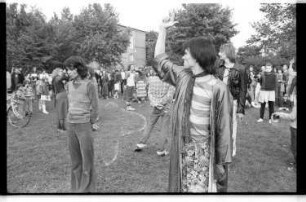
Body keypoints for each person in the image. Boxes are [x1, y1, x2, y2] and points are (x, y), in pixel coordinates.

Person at [153, 17, 233, 192]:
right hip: (182, 149)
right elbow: (160, 59)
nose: (182, 56)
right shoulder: (183, 76)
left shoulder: (218, 88)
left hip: (203, 153)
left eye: (186, 53)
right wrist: (162, 30)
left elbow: (224, 129)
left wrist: (221, 163)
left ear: (197, 56)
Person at [64, 56, 99, 192]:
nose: (68, 72)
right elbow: (70, 104)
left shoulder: (89, 84)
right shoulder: (68, 85)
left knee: (87, 160)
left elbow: (95, 107)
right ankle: (76, 189)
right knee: (75, 161)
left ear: (79, 69)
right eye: (67, 69)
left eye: (70, 69)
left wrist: (91, 122)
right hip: (71, 125)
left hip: (84, 126)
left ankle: (88, 190)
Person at [216, 42, 248, 157]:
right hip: (218, 102)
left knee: (232, 128)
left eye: (221, 51)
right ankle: (219, 149)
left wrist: (240, 109)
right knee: (218, 126)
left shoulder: (241, 69)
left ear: (227, 53)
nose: (219, 53)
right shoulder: (218, 67)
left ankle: (231, 149)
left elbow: (243, 90)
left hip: (232, 103)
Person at [134, 71, 175, 156]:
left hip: (158, 106)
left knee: (150, 125)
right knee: (163, 128)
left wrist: (156, 103)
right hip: (164, 107)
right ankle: (161, 150)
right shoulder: (169, 81)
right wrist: (160, 104)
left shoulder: (152, 80)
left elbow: (149, 93)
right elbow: (170, 95)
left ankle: (141, 143)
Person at [273, 78, 296, 171]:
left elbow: (292, 116)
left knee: (294, 147)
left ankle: (295, 165)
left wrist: (280, 114)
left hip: (295, 127)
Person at [52, 68, 69, 134]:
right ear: (57, 72)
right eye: (61, 71)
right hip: (62, 95)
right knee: (63, 112)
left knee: (60, 112)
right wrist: (64, 73)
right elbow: (66, 78)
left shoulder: (54, 78)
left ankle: (60, 127)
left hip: (59, 95)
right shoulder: (57, 78)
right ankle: (62, 128)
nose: (62, 72)